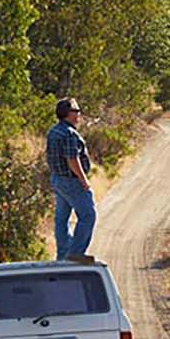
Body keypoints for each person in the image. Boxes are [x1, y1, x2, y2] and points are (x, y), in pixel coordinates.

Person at [47, 97, 97, 263]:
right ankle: (75, 254)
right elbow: (72, 159)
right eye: (76, 111)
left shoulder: (54, 131)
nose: (79, 114)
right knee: (88, 215)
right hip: (71, 181)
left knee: (62, 219)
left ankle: (63, 256)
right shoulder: (69, 134)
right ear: (68, 114)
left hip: (58, 180)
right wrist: (84, 181)